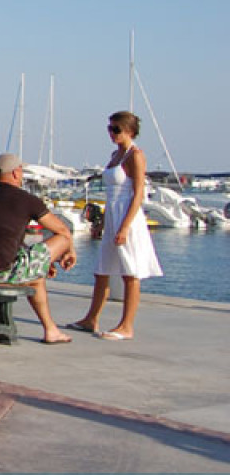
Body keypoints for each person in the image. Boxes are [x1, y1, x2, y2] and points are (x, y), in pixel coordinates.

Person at [65, 111, 163, 340]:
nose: (111, 133)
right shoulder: (115, 154)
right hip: (112, 215)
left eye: (116, 129)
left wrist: (125, 226)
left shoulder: (135, 155)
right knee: (102, 270)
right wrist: (103, 223)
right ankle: (91, 319)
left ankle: (126, 325)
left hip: (127, 217)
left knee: (130, 272)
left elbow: (138, 193)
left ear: (129, 130)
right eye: (109, 128)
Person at [0, 153, 78, 344]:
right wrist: (69, 252)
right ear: (16, 173)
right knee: (61, 242)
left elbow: (5, 239)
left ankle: (51, 330)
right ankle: (51, 331)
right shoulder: (26, 199)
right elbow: (63, 231)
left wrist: (44, 261)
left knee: (37, 277)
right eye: (22, 171)